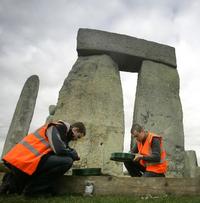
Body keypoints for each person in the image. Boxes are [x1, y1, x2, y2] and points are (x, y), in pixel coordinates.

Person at [0, 120, 86, 196]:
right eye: (78, 137)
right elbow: (59, 150)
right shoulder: (58, 127)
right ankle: (34, 190)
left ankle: (19, 185)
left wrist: (71, 151)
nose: (76, 139)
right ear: (75, 129)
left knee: (65, 160)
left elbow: (62, 148)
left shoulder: (63, 135)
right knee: (67, 161)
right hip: (23, 159)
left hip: (28, 159)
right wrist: (72, 154)